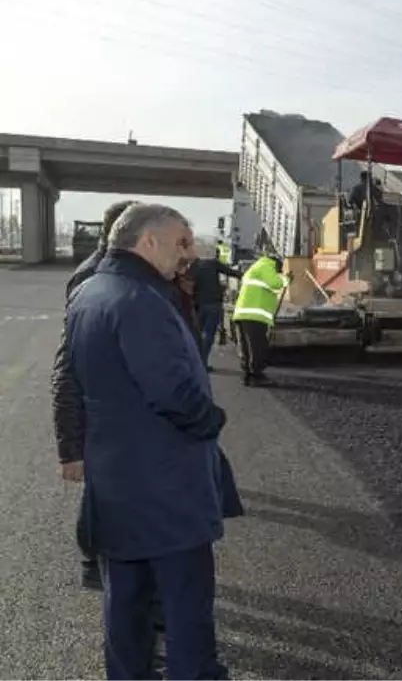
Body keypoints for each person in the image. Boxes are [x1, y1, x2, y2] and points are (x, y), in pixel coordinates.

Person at [65, 203, 235, 681]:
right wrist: (212, 419)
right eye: (182, 241)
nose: (189, 253)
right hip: (167, 491)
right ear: (149, 241)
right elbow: (174, 394)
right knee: (186, 612)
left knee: (127, 607)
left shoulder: (91, 292)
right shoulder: (141, 301)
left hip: (116, 484)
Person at [51, 199, 137, 590]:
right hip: (100, 410)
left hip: (118, 407)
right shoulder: (93, 279)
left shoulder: (120, 273)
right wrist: (70, 447)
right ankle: (93, 561)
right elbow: (67, 367)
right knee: (100, 491)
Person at [230, 254, 288, 386]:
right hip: (254, 316)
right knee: (257, 347)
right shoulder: (266, 266)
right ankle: (257, 376)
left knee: (246, 347)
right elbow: (276, 284)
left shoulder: (254, 268)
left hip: (243, 314)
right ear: (276, 264)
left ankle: (247, 375)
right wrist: (285, 279)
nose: (278, 272)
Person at [190, 251, 242, 370]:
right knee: (208, 335)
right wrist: (246, 274)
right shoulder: (213, 264)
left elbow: (188, 281)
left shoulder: (195, 265)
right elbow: (231, 272)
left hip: (198, 305)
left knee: (196, 335)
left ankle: (195, 362)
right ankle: (202, 363)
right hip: (213, 304)